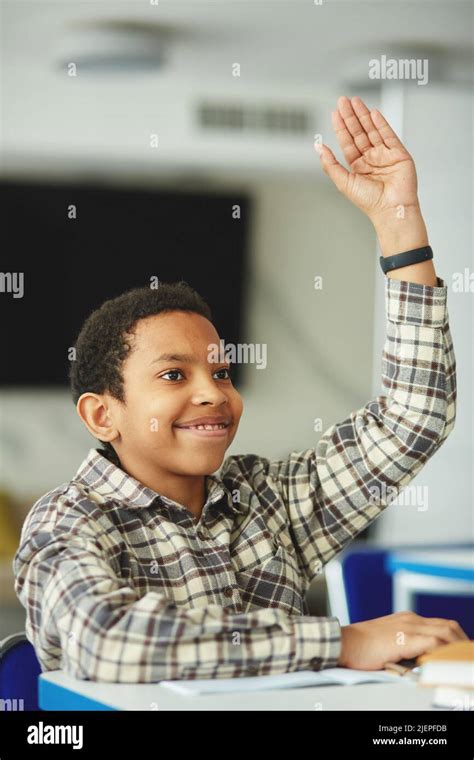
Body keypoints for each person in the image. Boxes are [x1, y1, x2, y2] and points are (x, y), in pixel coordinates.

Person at [13, 96, 466, 683]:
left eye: (221, 372)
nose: (213, 394)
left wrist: (399, 225)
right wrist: (340, 641)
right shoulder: (68, 521)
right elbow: (113, 644)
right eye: (175, 375)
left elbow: (415, 418)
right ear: (103, 415)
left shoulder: (265, 501)